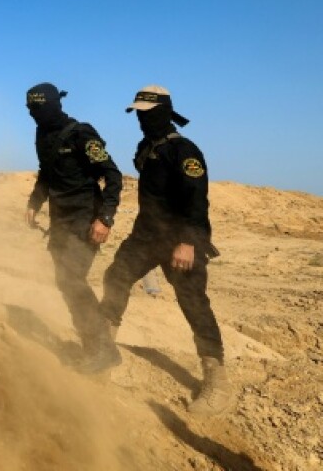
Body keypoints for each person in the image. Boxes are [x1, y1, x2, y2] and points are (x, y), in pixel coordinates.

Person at [98, 85, 234, 416]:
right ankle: (100, 350)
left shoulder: (184, 150)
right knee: (116, 277)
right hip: (145, 237)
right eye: (139, 113)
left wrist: (188, 241)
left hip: (179, 240)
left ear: (164, 112)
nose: (143, 119)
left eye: (148, 112)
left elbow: (196, 198)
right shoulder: (148, 147)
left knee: (193, 302)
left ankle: (218, 381)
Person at [24, 83, 123, 374]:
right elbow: (46, 172)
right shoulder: (43, 134)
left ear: (54, 104)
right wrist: (34, 203)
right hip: (60, 221)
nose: (35, 114)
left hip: (86, 219)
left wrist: (104, 219)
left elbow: (113, 176)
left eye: (39, 108)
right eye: (30, 110)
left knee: (72, 279)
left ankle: (103, 350)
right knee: (64, 281)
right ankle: (93, 346)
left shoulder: (81, 134)